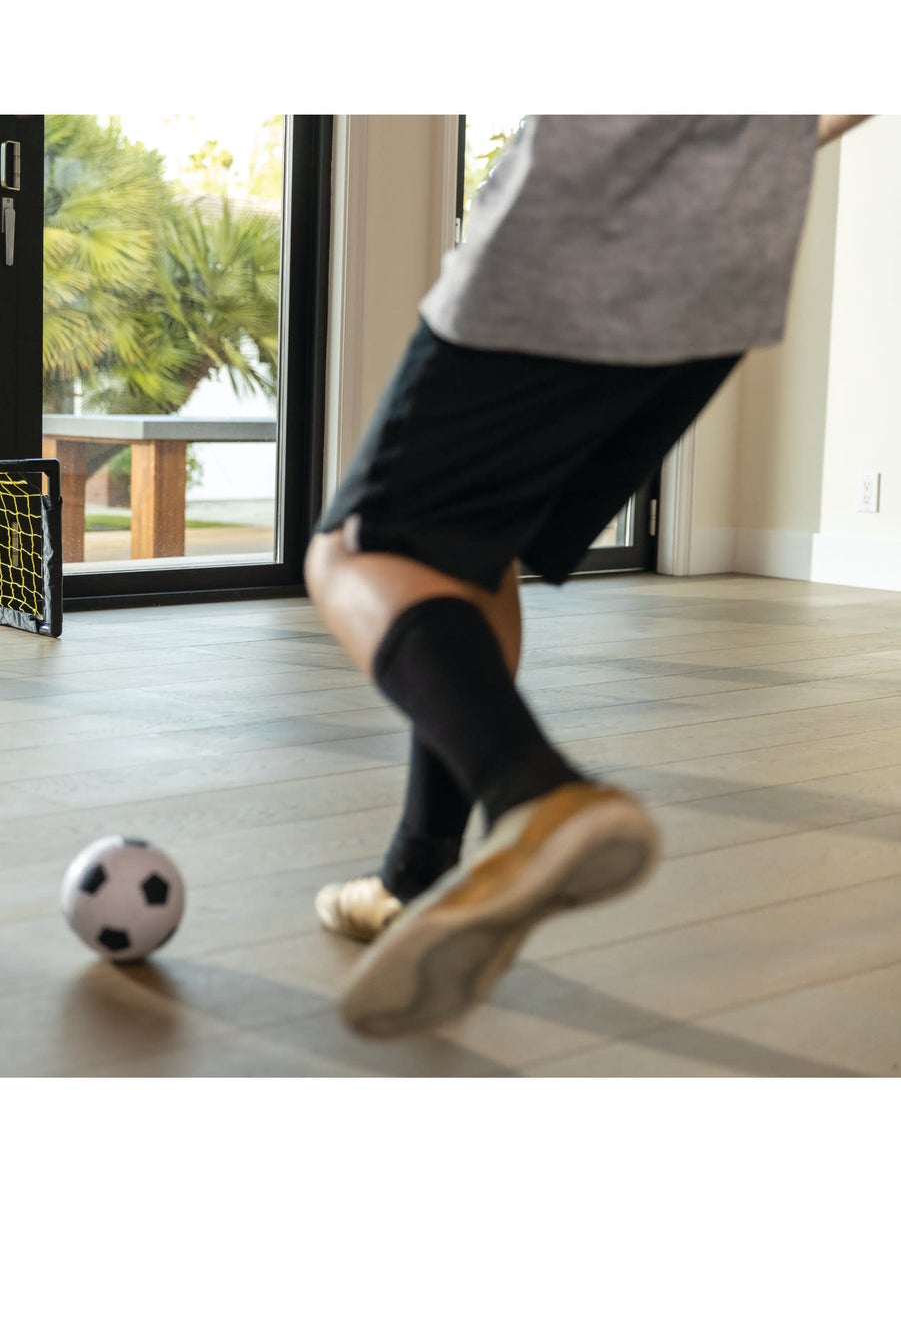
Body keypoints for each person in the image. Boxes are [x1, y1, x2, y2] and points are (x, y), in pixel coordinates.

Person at [305, 114, 873, 1037]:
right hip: (728, 269)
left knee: (356, 552)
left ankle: (535, 796)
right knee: (467, 547)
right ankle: (419, 873)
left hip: (580, 228)